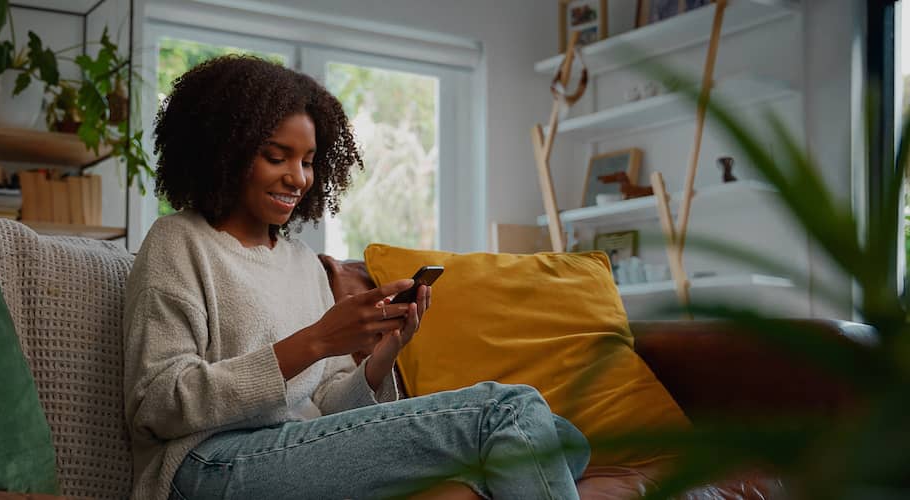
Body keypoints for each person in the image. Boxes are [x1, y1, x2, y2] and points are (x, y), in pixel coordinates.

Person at [123, 55, 590, 500]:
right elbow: (158, 403)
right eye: (276, 156)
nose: (297, 178)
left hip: (296, 448)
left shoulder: (302, 263)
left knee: (562, 437)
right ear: (226, 150)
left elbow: (327, 403)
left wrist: (384, 353)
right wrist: (316, 340)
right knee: (510, 415)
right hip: (207, 464)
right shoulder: (178, 242)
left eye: (307, 161)